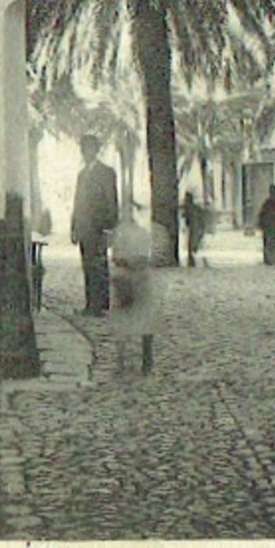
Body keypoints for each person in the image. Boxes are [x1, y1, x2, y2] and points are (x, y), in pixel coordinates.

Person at [70, 134, 119, 316]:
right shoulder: (81, 175)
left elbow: (112, 201)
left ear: (96, 150)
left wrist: (110, 228)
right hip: (84, 227)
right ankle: (90, 303)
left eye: (90, 148)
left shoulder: (106, 172)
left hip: (99, 227)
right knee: (88, 266)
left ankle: (100, 305)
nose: (86, 152)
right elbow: (77, 202)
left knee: (99, 265)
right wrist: (74, 226)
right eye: (84, 149)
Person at [109, 202, 154, 375]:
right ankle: (147, 360)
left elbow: (116, 257)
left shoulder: (118, 234)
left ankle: (121, 360)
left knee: (122, 320)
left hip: (125, 279)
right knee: (145, 320)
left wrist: (126, 262)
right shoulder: (144, 234)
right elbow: (147, 257)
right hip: (141, 278)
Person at [182, 191, 206, 269]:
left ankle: (193, 250)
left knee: (194, 236)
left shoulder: (191, 208)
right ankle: (192, 251)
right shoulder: (194, 207)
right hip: (195, 223)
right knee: (194, 236)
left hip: (195, 224)